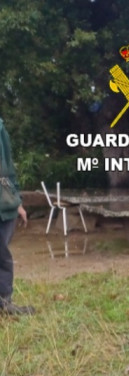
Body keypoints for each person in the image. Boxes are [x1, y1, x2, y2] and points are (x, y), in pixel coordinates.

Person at [0, 116, 34, 316]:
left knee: (2, 256)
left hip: (5, 206)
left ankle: (5, 303)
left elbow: (7, 171)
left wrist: (17, 200)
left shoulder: (1, 126)